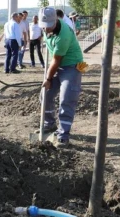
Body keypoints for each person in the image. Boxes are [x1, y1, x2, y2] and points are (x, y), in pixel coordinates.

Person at [38, 7, 83, 147]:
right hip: (58, 62)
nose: (45, 30)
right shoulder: (46, 28)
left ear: (56, 20)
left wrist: (48, 78)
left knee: (67, 98)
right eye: (43, 27)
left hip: (75, 64)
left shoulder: (64, 35)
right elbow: (54, 58)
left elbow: (56, 61)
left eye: (48, 27)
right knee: (45, 94)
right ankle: (49, 124)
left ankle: (63, 134)